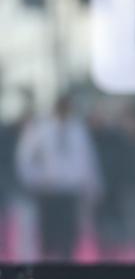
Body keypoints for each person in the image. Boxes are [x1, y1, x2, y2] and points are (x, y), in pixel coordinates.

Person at [14, 94, 101, 261]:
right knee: (49, 237)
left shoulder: (78, 130)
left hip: (70, 191)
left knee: (69, 236)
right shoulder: (41, 129)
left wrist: (93, 186)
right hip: (49, 192)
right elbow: (25, 158)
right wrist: (36, 180)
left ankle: (66, 267)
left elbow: (88, 160)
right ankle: (49, 268)